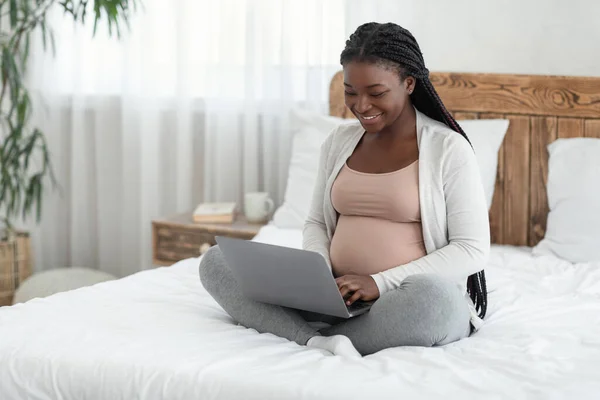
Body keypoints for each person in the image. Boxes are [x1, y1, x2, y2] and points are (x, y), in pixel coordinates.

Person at [199, 22, 489, 358]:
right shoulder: (339, 142)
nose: (361, 105)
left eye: (376, 93)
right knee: (217, 262)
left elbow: (471, 249)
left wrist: (379, 282)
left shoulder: (448, 149)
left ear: (409, 83)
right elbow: (316, 223)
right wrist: (318, 276)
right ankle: (320, 340)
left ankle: (295, 333)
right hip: (332, 297)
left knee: (434, 304)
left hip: (400, 299)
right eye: (351, 91)